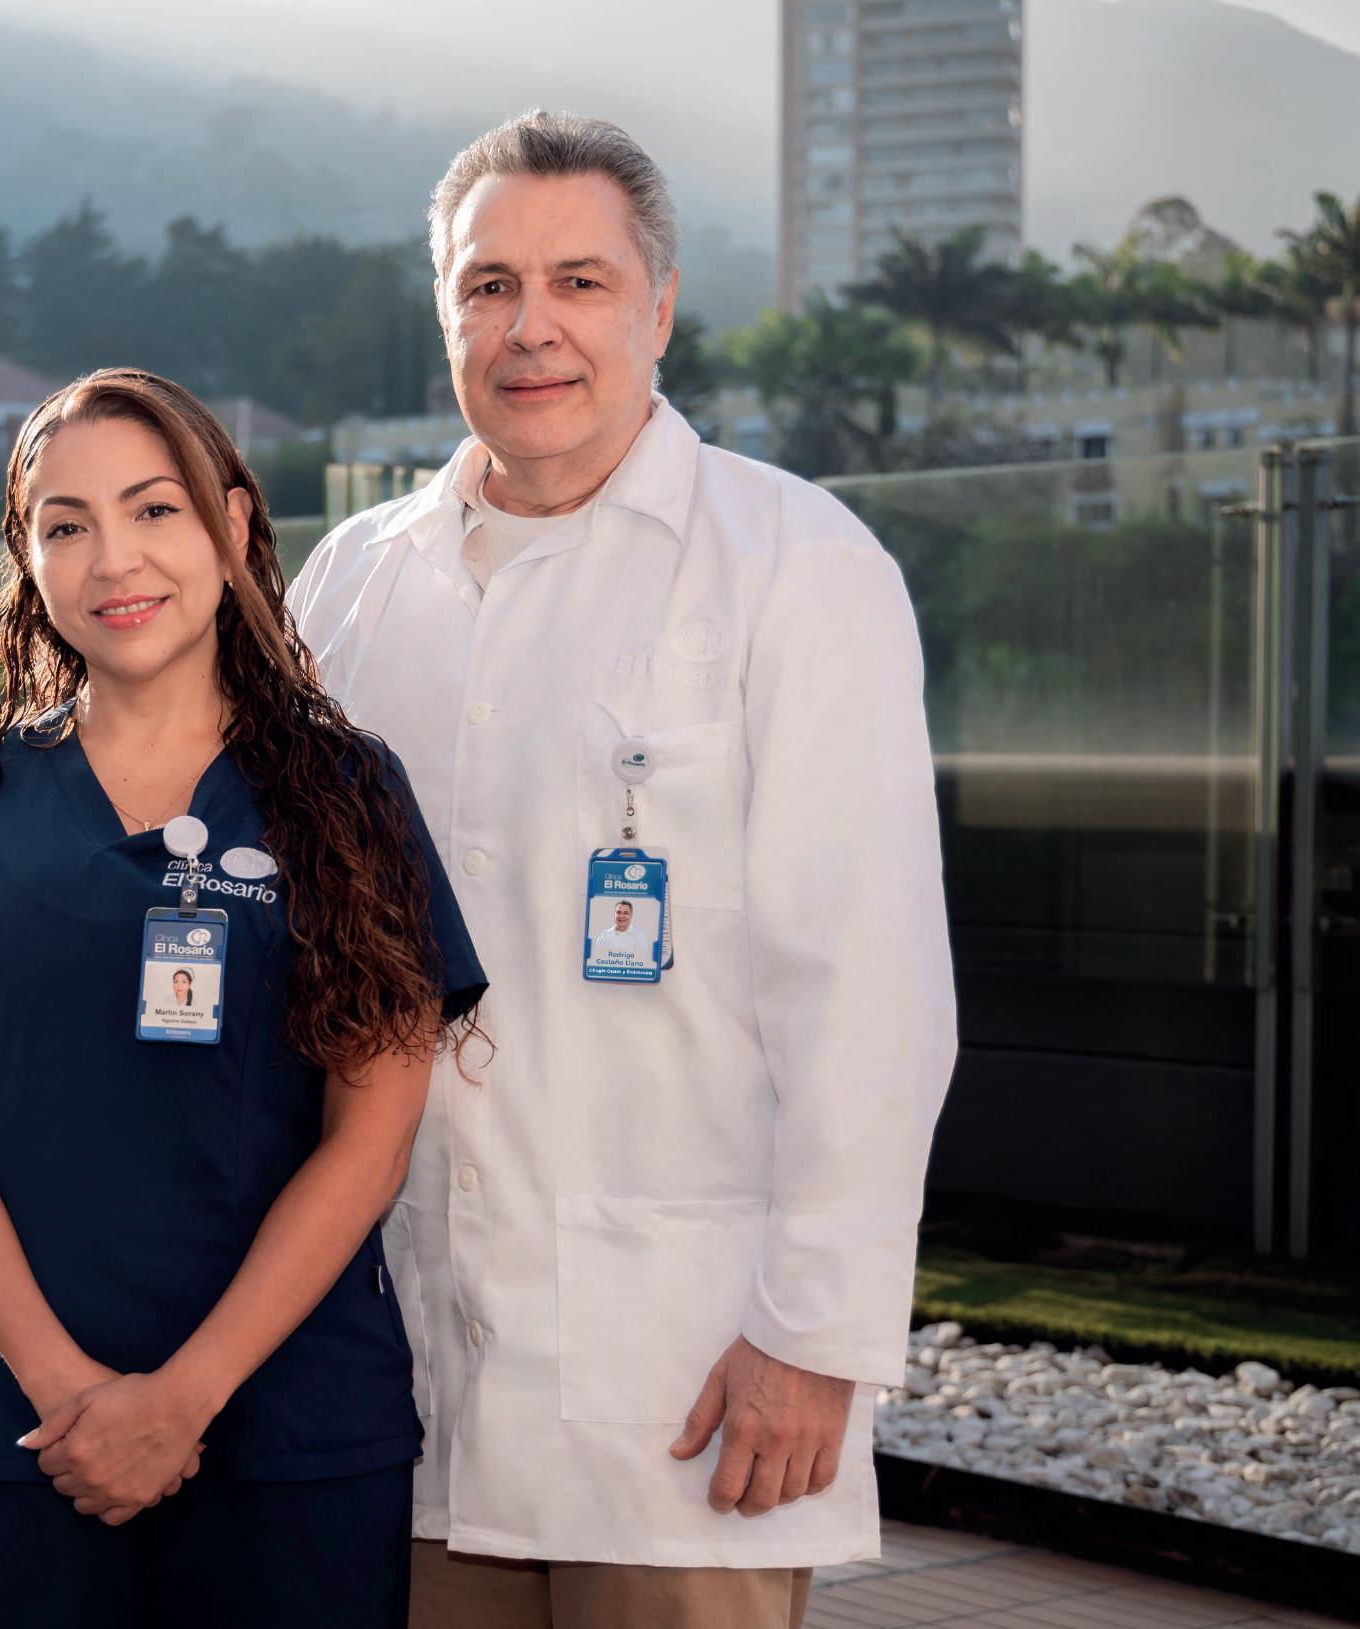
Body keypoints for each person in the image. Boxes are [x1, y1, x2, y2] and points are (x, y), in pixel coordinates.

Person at [289, 112, 955, 1629]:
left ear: (659, 308)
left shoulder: (796, 565)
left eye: (579, 282)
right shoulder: (351, 587)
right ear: (445, 314)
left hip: (687, 1384)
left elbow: (870, 990)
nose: (531, 327)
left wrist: (817, 1334)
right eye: (488, 286)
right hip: (402, 1384)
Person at [0, 369, 487, 1629]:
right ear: (28, 559)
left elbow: (372, 1138)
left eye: (154, 510)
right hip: (14, 1426)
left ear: (233, 525)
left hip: (288, 1428)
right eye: (67, 525)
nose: (113, 560)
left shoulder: (350, 796)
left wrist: (184, 1398)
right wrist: (64, 1390)